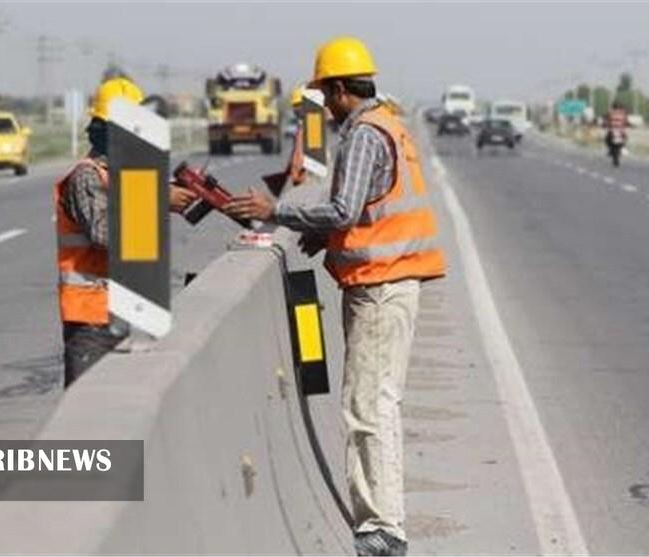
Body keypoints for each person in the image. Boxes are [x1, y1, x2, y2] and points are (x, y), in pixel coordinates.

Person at [224, 37, 446, 556]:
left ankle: (383, 529)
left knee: (368, 408)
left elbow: (345, 209)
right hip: (388, 283)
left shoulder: (366, 134)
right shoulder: (387, 123)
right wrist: (326, 235)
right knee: (376, 404)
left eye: (327, 93)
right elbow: (366, 208)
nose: (326, 103)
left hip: (379, 288)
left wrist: (275, 210)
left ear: (342, 89)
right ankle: (385, 522)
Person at [55, 76, 196, 388]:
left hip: (129, 313)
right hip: (92, 317)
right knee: (87, 416)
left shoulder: (127, 178)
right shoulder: (87, 177)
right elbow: (105, 235)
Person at [287, 84, 307, 186]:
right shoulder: (301, 125)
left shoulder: (311, 126)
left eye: (300, 106)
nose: (297, 110)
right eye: (295, 107)